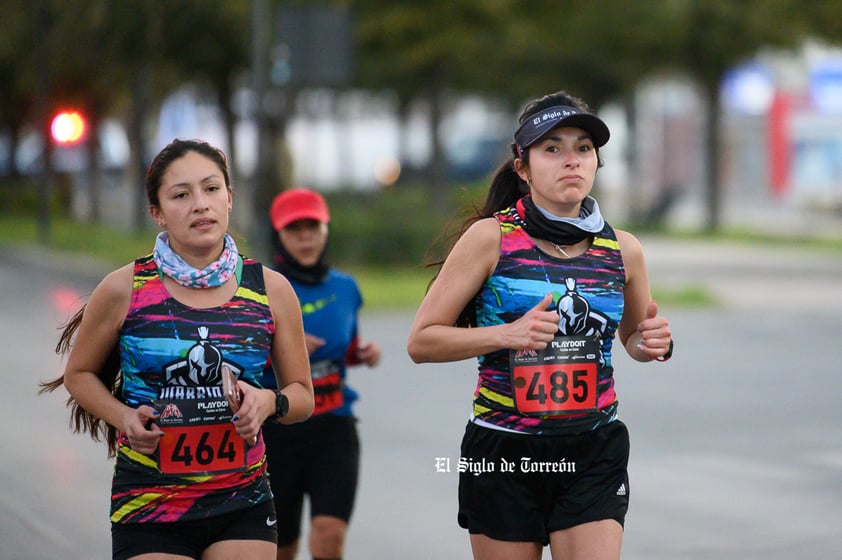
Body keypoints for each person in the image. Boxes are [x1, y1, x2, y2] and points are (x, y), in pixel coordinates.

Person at [406, 91, 673, 560]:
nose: (571, 160)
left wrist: (652, 342)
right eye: (552, 148)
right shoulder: (491, 239)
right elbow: (421, 341)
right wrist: (505, 335)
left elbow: (634, 335)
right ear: (522, 167)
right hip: (503, 450)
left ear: (596, 162)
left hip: (593, 449)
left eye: (583, 148)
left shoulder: (622, 250)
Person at [40, 138, 315, 560]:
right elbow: (79, 375)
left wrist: (268, 401)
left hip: (242, 500)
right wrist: (125, 417)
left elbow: (302, 395)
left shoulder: (272, 290)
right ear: (158, 213)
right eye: (181, 195)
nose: (200, 204)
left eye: (210, 189)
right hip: (150, 505)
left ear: (229, 199)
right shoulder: (123, 288)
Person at [261, 187, 381, 560]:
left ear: (326, 230)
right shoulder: (262, 289)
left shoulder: (346, 288)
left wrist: (362, 354)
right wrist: (282, 349)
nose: (306, 238)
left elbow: (345, 347)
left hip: (333, 427)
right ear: (278, 235)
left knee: (330, 538)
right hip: (278, 431)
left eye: (313, 228)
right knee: (283, 547)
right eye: (295, 229)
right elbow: (239, 359)